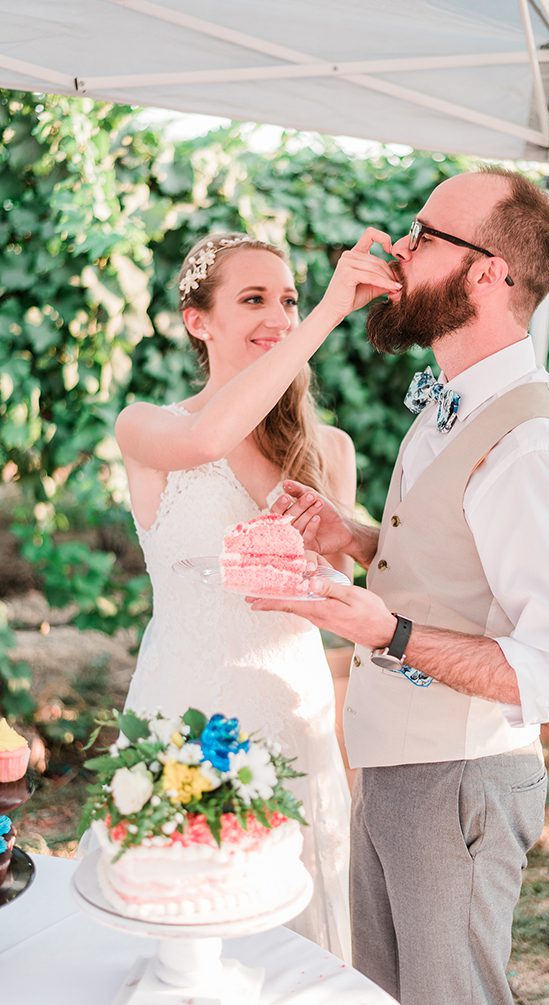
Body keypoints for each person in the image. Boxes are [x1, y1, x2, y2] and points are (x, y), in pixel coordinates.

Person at [250, 168, 549, 1005]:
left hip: (461, 778)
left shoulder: (533, 449)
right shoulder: (450, 402)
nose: (399, 249)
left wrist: (390, 633)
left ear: (489, 273)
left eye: (424, 236)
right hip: (394, 761)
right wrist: (355, 536)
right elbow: (459, 568)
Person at [111, 231, 401, 961]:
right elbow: (212, 436)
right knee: (182, 917)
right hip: (184, 711)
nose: (277, 312)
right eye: (253, 299)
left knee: (293, 935)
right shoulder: (149, 425)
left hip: (290, 709)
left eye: (289, 299)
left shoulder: (329, 449)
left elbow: (338, 600)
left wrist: (334, 567)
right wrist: (330, 310)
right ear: (196, 321)